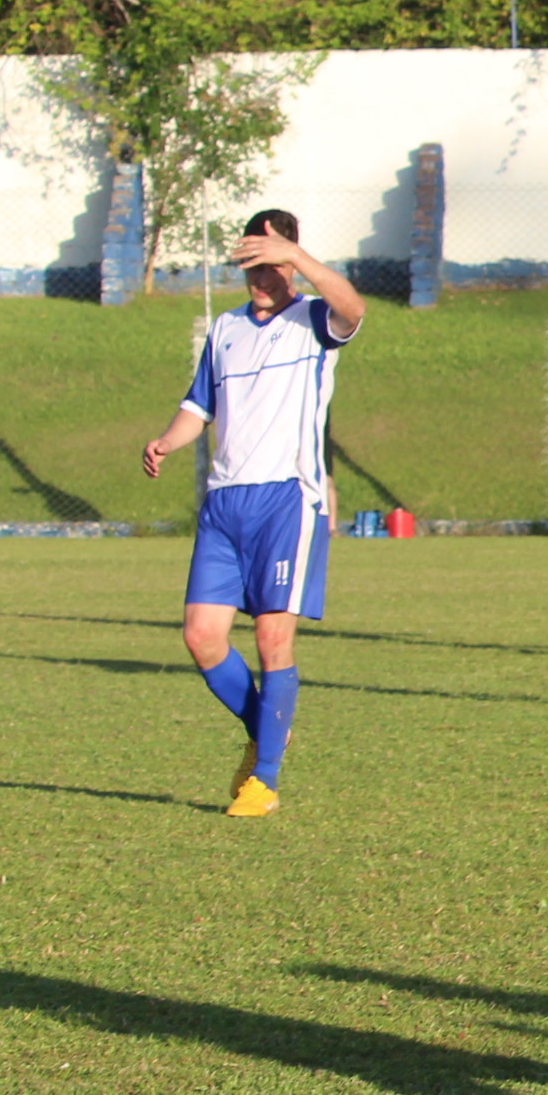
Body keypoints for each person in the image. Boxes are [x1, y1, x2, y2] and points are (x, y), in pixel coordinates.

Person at [136, 210, 366, 818]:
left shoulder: (314, 319)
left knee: (271, 638)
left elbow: (355, 309)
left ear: (289, 261)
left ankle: (263, 780)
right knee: (201, 636)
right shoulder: (225, 328)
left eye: (270, 264)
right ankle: (266, 730)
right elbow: (199, 406)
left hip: (286, 499)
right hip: (225, 502)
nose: (260, 277)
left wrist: (298, 258)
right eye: (250, 265)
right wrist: (166, 440)